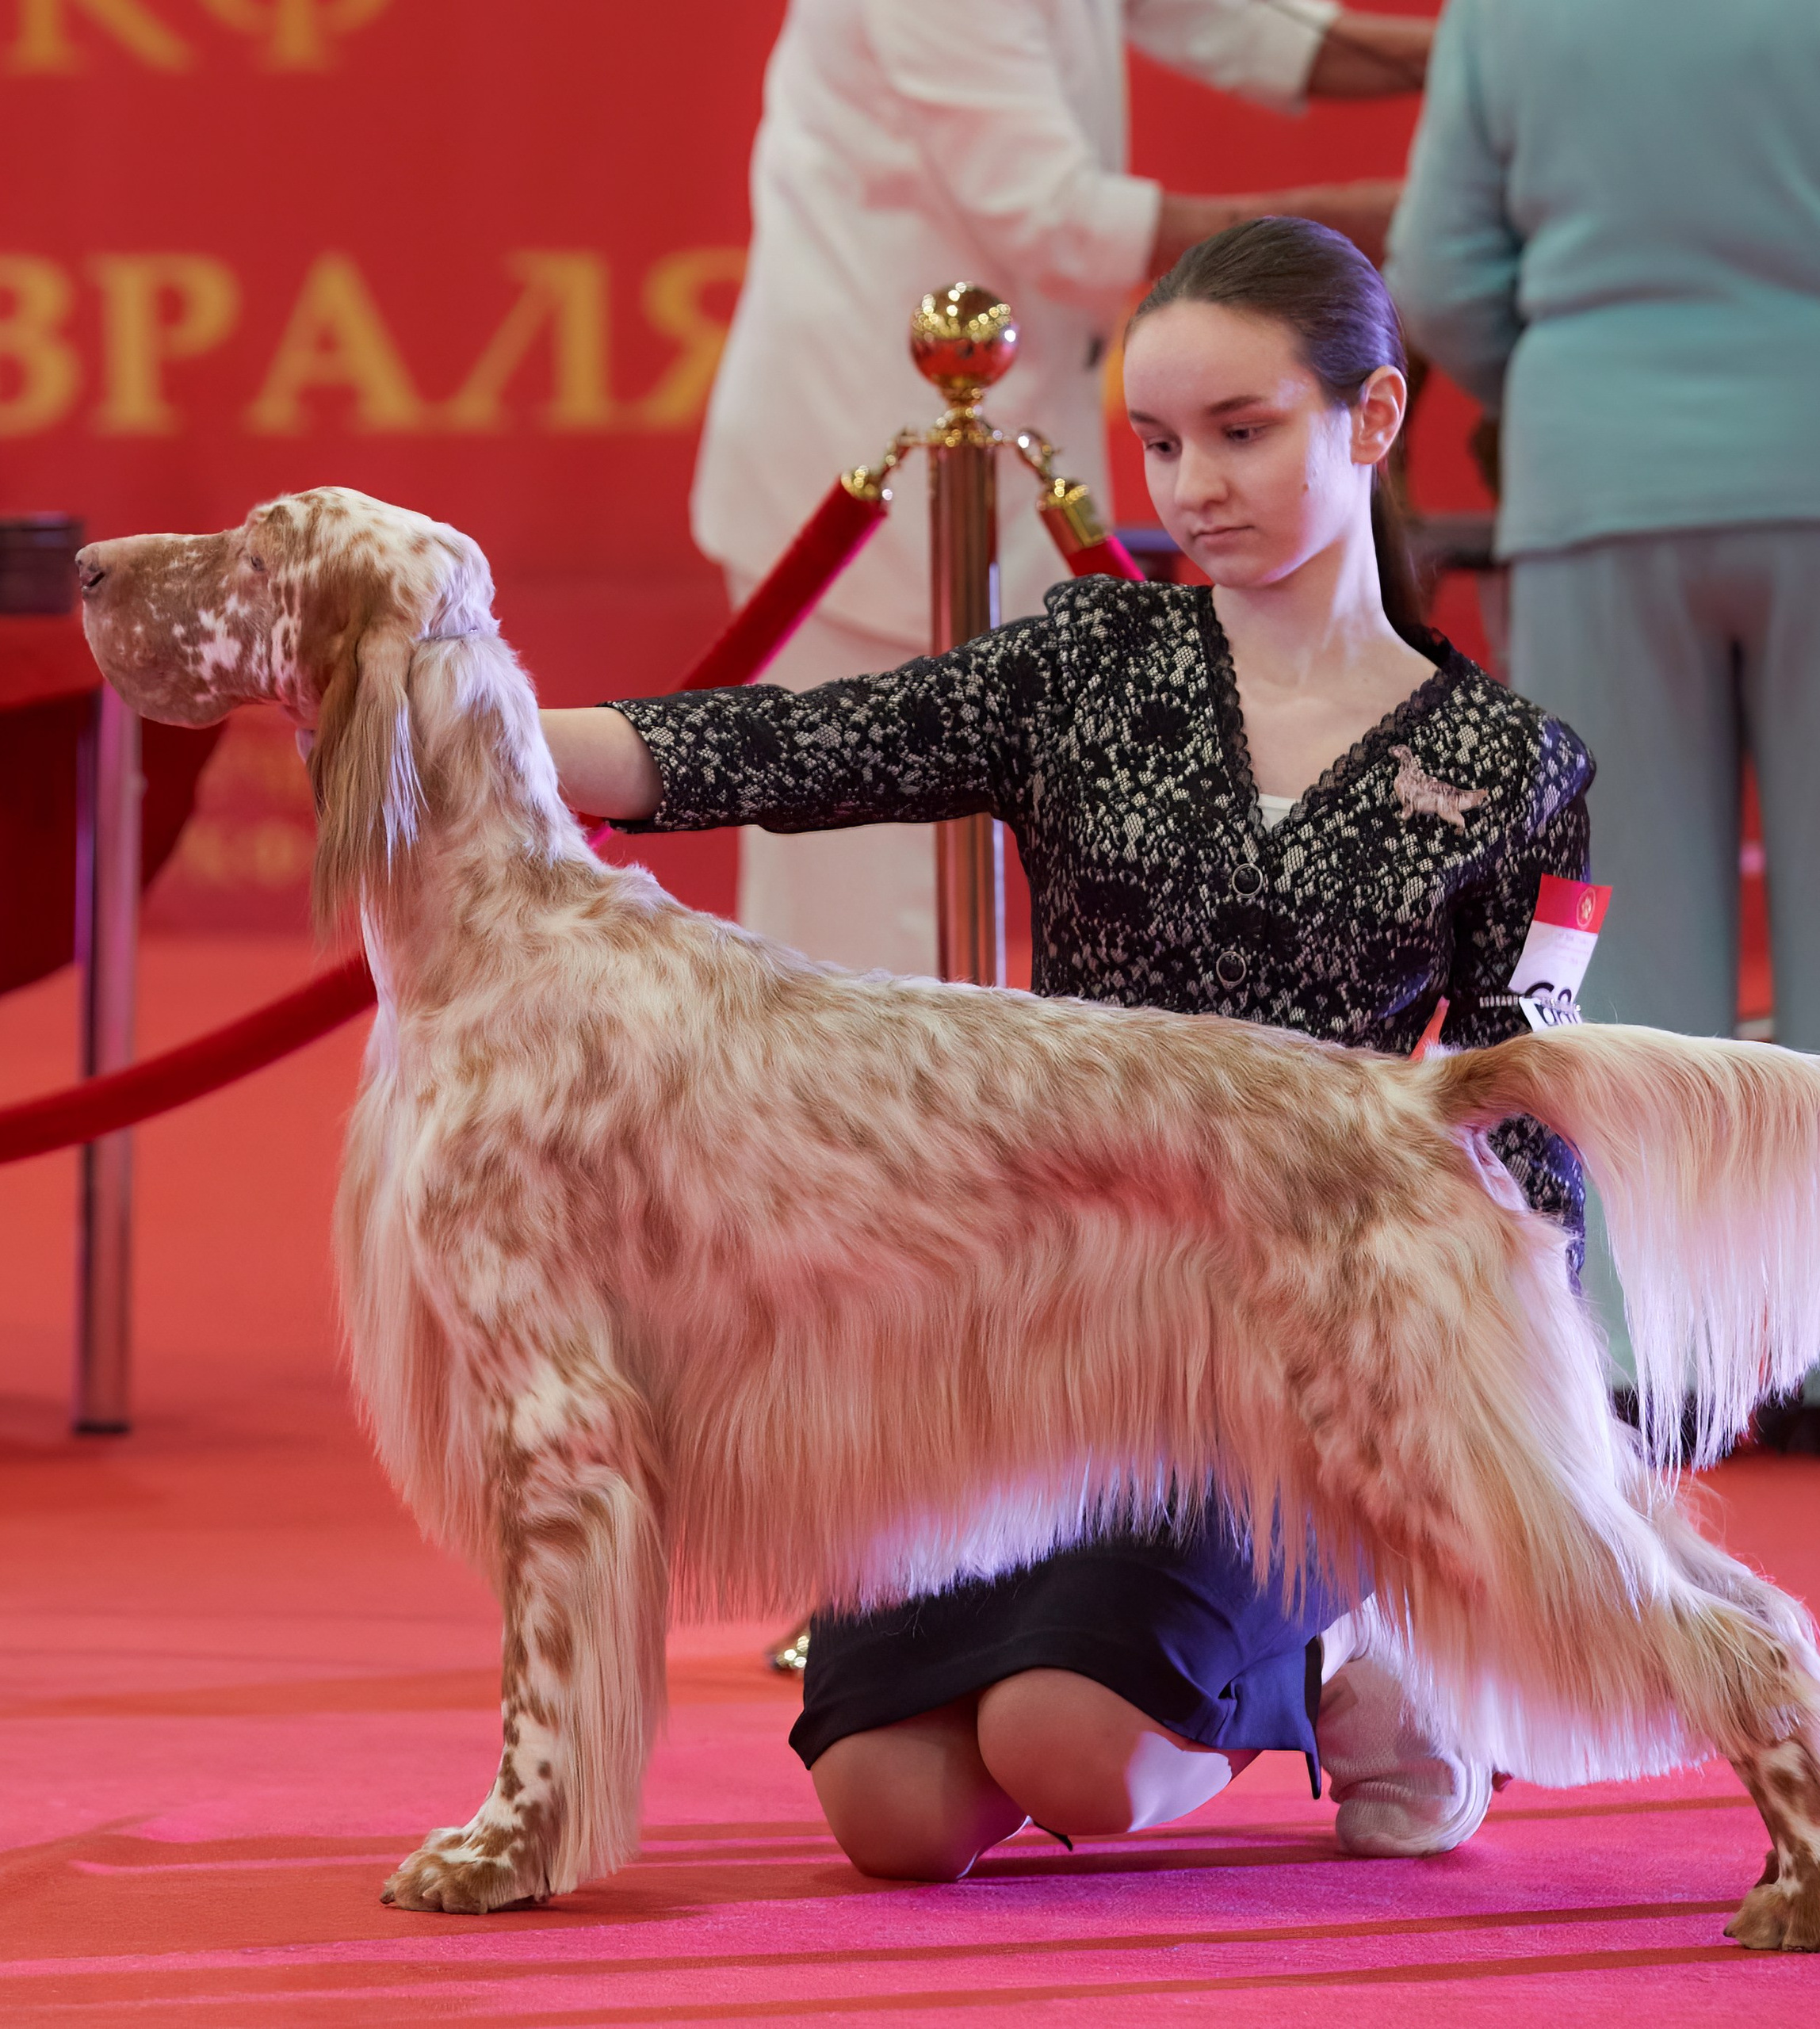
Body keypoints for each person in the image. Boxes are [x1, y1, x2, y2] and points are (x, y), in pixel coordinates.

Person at [545, 217, 1592, 1874]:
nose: (1192, 487)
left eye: (1240, 431)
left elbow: (1527, 1097)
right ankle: (1238, 1650)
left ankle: (1360, 1639)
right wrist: (470, 724)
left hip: (1285, 1358)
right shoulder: (1087, 662)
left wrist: (1511, 1427)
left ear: (1374, 416)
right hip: (1015, 1330)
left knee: (1073, 1752)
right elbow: (789, 744)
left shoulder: (1513, 761)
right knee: (889, 1817)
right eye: (1158, 444)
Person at [697, 0, 1437, 976]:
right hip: (874, 466)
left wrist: (1471, 55)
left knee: (1003, 916)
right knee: (860, 937)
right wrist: (1385, 223)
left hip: (1009, 454)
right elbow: (1059, 217)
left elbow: (1234, 19)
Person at [1382, 0, 1820, 1417]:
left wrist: (1588, 385)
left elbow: (1441, 272)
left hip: (1598, 474)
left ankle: (1639, 1358)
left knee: (1615, 940)